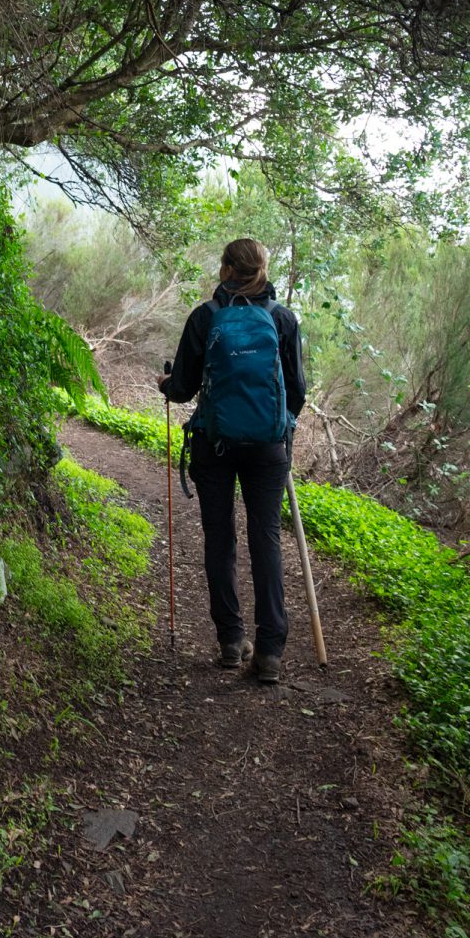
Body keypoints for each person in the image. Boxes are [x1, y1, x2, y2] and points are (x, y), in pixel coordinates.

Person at [157, 238, 305, 685]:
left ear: (224, 270)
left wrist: (165, 383)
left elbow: (182, 387)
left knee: (220, 538)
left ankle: (229, 641)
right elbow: (296, 392)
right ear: (262, 270)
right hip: (267, 448)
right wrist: (278, 427)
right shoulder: (282, 320)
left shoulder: (205, 318)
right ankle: (270, 652)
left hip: (214, 443)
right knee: (266, 540)